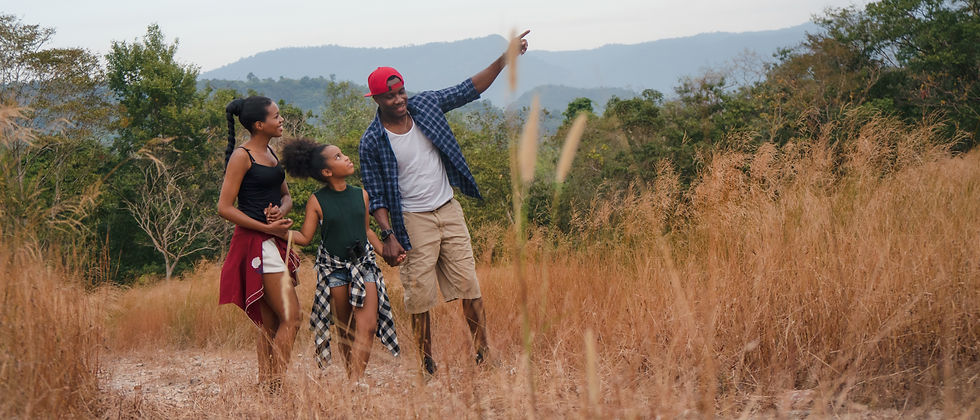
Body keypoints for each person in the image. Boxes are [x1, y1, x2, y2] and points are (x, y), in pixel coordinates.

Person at [359, 30, 530, 376]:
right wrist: (388, 234)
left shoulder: (426, 105)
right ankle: (426, 364)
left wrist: (505, 58)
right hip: (411, 220)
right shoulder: (372, 141)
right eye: (389, 96)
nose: (398, 99)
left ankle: (484, 354)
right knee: (420, 298)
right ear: (376, 99)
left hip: (448, 209)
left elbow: (469, 89)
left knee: (469, 285)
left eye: (401, 91)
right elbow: (376, 195)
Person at [279, 137, 400, 381]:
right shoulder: (317, 200)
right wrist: (275, 230)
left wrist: (386, 252)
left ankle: (356, 382)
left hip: (363, 265)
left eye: (342, 154)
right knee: (346, 330)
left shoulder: (361, 195)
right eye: (338, 157)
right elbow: (304, 236)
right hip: (334, 269)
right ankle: (351, 378)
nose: (346, 157)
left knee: (368, 326)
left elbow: (366, 231)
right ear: (327, 171)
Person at [217, 96, 300, 392]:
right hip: (255, 244)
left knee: (269, 324)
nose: (281, 120)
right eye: (276, 117)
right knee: (292, 316)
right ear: (258, 124)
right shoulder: (242, 156)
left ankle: (266, 387)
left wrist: (281, 211)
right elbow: (225, 208)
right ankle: (276, 386)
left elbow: (286, 197)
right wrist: (266, 227)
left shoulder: (271, 153)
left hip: (273, 240)